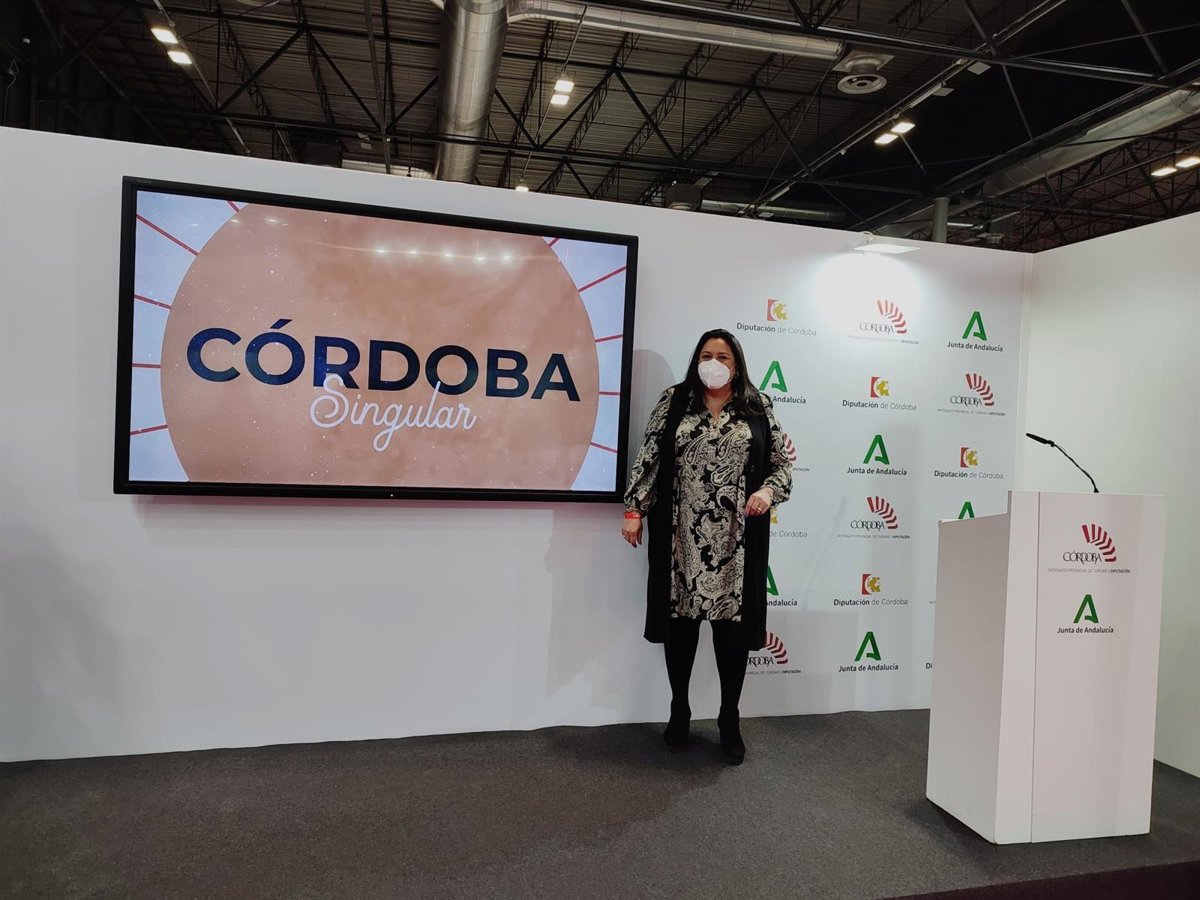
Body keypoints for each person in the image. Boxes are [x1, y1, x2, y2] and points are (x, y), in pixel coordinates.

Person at [622, 329, 792, 764]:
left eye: (722, 356)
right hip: (680, 536)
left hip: (738, 540)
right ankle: (679, 709)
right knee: (679, 627)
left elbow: (781, 465)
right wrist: (635, 508)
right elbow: (650, 456)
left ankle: (729, 718)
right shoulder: (675, 400)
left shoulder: (757, 405)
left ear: (736, 364)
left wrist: (768, 491)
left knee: (732, 635)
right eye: (705, 355)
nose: (713, 362)